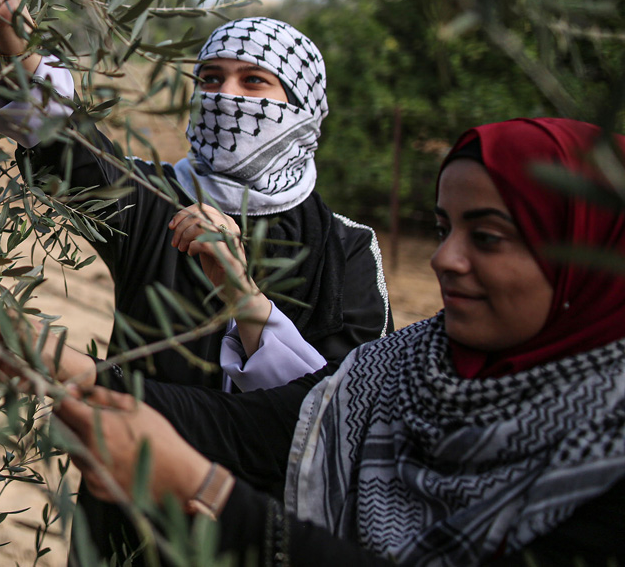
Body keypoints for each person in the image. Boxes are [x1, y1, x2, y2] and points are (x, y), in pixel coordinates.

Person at [0, 0, 391, 563]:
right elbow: (65, 145)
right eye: (213, 79)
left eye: (255, 83)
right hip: (126, 525)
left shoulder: (346, 249)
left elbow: (341, 416)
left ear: (303, 110)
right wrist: (9, 28)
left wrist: (247, 301)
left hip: (262, 534)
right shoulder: (158, 198)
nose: (228, 97)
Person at [44, 117, 625, 565]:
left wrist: (211, 492)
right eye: (443, 229)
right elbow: (283, 423)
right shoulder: (411, 361)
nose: (443, 259)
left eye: (489, 237)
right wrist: (93, 378)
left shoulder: (343, 247)